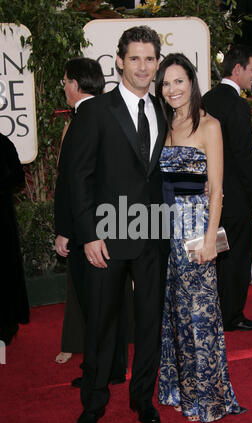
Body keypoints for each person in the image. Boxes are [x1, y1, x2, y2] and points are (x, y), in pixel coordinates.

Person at [63, 26, 168, 423]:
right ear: (119, 61)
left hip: (153, 235)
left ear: (157, 63)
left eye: (149, 59)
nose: (142, 66)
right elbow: (79, 178)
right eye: (135, 58)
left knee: (149, 324)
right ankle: (93, 402)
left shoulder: (163, 108)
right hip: (106, 236)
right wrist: (88, 234)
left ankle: (143, 398)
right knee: (102, 325)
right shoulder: (95, 111)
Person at [155, 53, 246, 422]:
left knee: (201, 316)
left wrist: (210, 240)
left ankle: (207, 399)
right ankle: (180, 389)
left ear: (192, 82)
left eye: (179, 81)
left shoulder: (210, 125)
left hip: (195, 229)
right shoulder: (163, 123)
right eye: (166, 83)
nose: (172, 89)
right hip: (163, 230)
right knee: (174, 315)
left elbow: (217, 189)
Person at [54, 57, 129, 382]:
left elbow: (73, 183)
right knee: (113, 305)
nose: (64, 88)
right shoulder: (110, 114)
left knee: (95, 307)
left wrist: (66, 232)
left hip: (90, 233)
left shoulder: (84, 119)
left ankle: (98, 371)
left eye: (65, 81)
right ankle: (112, 369)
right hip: (114, 226)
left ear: (74, 83)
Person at [202, 45, 252, 331]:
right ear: (237, 69)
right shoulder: (237, 105)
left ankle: (214, 314)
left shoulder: (206, 99)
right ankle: (232, 317)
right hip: (238, 201)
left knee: (216, 260)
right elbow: (243, 157)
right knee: (237, 260)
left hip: (211, 198)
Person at [0, 133, 30, 345]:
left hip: (2, 220)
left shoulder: (3, 143)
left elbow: (18, 177)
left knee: (5, 270)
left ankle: (7, 325)